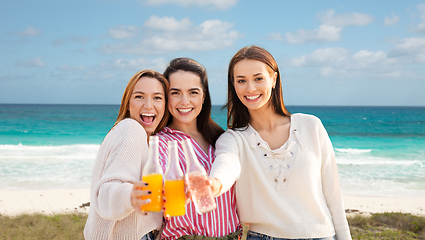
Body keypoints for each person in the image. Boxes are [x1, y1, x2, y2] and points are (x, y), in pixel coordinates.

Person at [209, 46, 352, 240]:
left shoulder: (311, 126)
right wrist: (213, 184)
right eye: (241, 81)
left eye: (258, 78)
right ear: (233, 85)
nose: (250, 88)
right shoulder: (233, 138)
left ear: (274, 79)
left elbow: (334, 195)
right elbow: (226, 164)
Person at [156, 58, 241, 240]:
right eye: (175, 93)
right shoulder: (160, 143)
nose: (184, 101)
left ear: (203, 96)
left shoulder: (221, 138)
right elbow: (162, 179)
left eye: (193, 92)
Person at [84, 69, 169, 240]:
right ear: (128, 102)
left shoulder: (142, 138)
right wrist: (130, 196)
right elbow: (107, 192)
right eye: (139, 96)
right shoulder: (132, 129)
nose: (148, 105)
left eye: (157, 98)